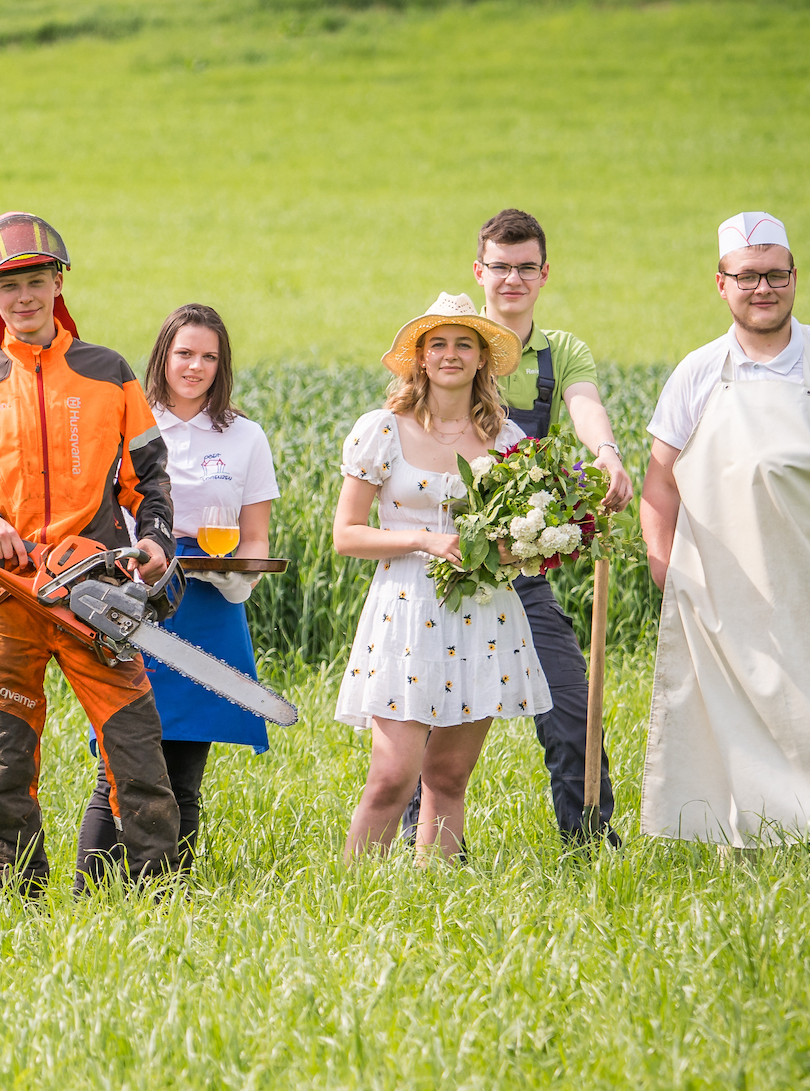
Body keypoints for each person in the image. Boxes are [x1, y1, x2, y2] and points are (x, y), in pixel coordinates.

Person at [0, 213, 183, 895]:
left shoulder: (108, 373)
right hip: (6, 596)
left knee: (136, 745)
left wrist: (153, 541)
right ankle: (17, 892)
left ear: (57, 282)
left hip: (93, 591)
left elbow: (149, 475)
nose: (24, 297)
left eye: (36, 281)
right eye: (9, 286)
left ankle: (155, 886)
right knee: (6, 759)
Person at [638, 212, 810, 847]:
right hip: (722, 579)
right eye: (747, 277)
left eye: (774, 275)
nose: (762, 288)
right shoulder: (698, 372)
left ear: (795, 278)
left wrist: (801, 453)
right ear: (721, 284)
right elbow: (660, 480)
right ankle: (743, 830)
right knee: (727, 710)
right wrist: (665, 562)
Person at [399, 209, 639, 847]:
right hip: (449, 567)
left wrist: (606, 454)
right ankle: (415, 854)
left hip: (521, 570)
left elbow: (586, 407)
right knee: (425, 714)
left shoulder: (562, 354)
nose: (512, 279)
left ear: (542, 274)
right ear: (479, 271)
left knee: (569, 707)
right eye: (499, 267)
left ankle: (590, 842)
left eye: (524, 267)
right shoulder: (445, 344)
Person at [331, 294, 552, 863]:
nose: (450, 355)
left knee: (450, 775)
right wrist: (423, 539)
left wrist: (532, 543)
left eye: (464, 344)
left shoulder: (505, 443)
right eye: (438, 345)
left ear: (482, 359)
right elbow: (347, 534)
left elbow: (515, 547)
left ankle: (436, 893)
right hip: (404, 607)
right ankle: (354, 895)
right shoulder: (383, 430)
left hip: (481, 611)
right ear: (420, 359)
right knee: (393, 774)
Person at [89, 303, 278, 876]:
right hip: (135, 602)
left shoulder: (244, 437)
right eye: (185, 354)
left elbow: (256, 540)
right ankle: (88, 890)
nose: (195, 366)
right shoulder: (129, 422)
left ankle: (169, 896)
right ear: (163, 357)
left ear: (222, 367)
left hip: (211, 606)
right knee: (118, 766)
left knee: (186, 772)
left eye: (209, 357)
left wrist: (235, 571)